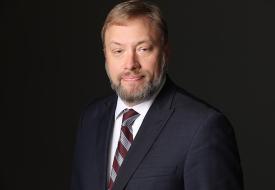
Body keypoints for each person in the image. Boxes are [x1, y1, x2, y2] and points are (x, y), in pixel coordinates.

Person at [70, 1, 244, 190]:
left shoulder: (203, 127)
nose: (130, 64)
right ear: (106, 55)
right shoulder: (91, 118)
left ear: (165, 53)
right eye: (118, 51)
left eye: (143, 49)